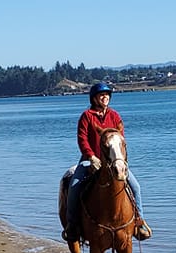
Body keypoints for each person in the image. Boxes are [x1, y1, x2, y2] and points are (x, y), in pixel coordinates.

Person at [63, 82, 151, 242]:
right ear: (94, 98)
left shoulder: (114, 116)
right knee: (74, 186)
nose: (105, 97)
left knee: (136, 187)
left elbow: (121, 140)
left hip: (113, 161)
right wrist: (91, 156)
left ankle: (139, 223)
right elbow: (82, 139)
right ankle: (72, 225)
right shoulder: (87, 116)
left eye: (107, 95)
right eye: (101, 95)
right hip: (91, 160)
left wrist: (121, 159)